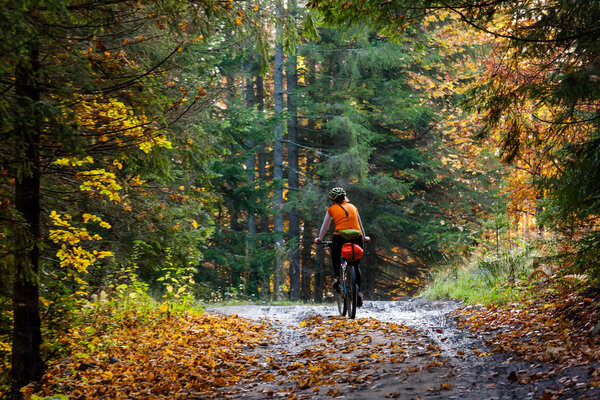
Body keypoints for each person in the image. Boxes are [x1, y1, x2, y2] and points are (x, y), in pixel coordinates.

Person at [314, 187, 370, 307]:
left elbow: (325, 225)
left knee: (335, 255)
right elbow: (360, 224)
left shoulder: (331, 209)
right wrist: (364, 237)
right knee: (355, 264)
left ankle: (337, 278)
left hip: (340, 236)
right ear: (345, 197)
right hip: (357, 235)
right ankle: (358, 293)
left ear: (332, 200)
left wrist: (320, 238)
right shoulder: (353, 207)